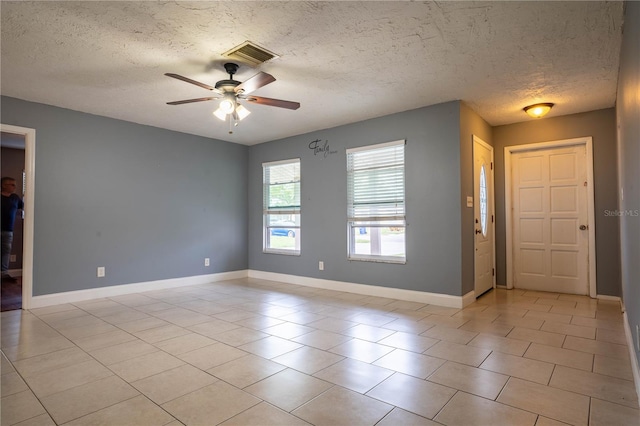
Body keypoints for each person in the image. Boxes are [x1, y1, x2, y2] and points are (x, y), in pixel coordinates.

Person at [1, 177, 23, 282]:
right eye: (12, 185)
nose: (15, 187)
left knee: (6, 252)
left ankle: (3, 274)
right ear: (4, 185)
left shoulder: (15, 198)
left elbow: (23, 207)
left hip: (8, 231)